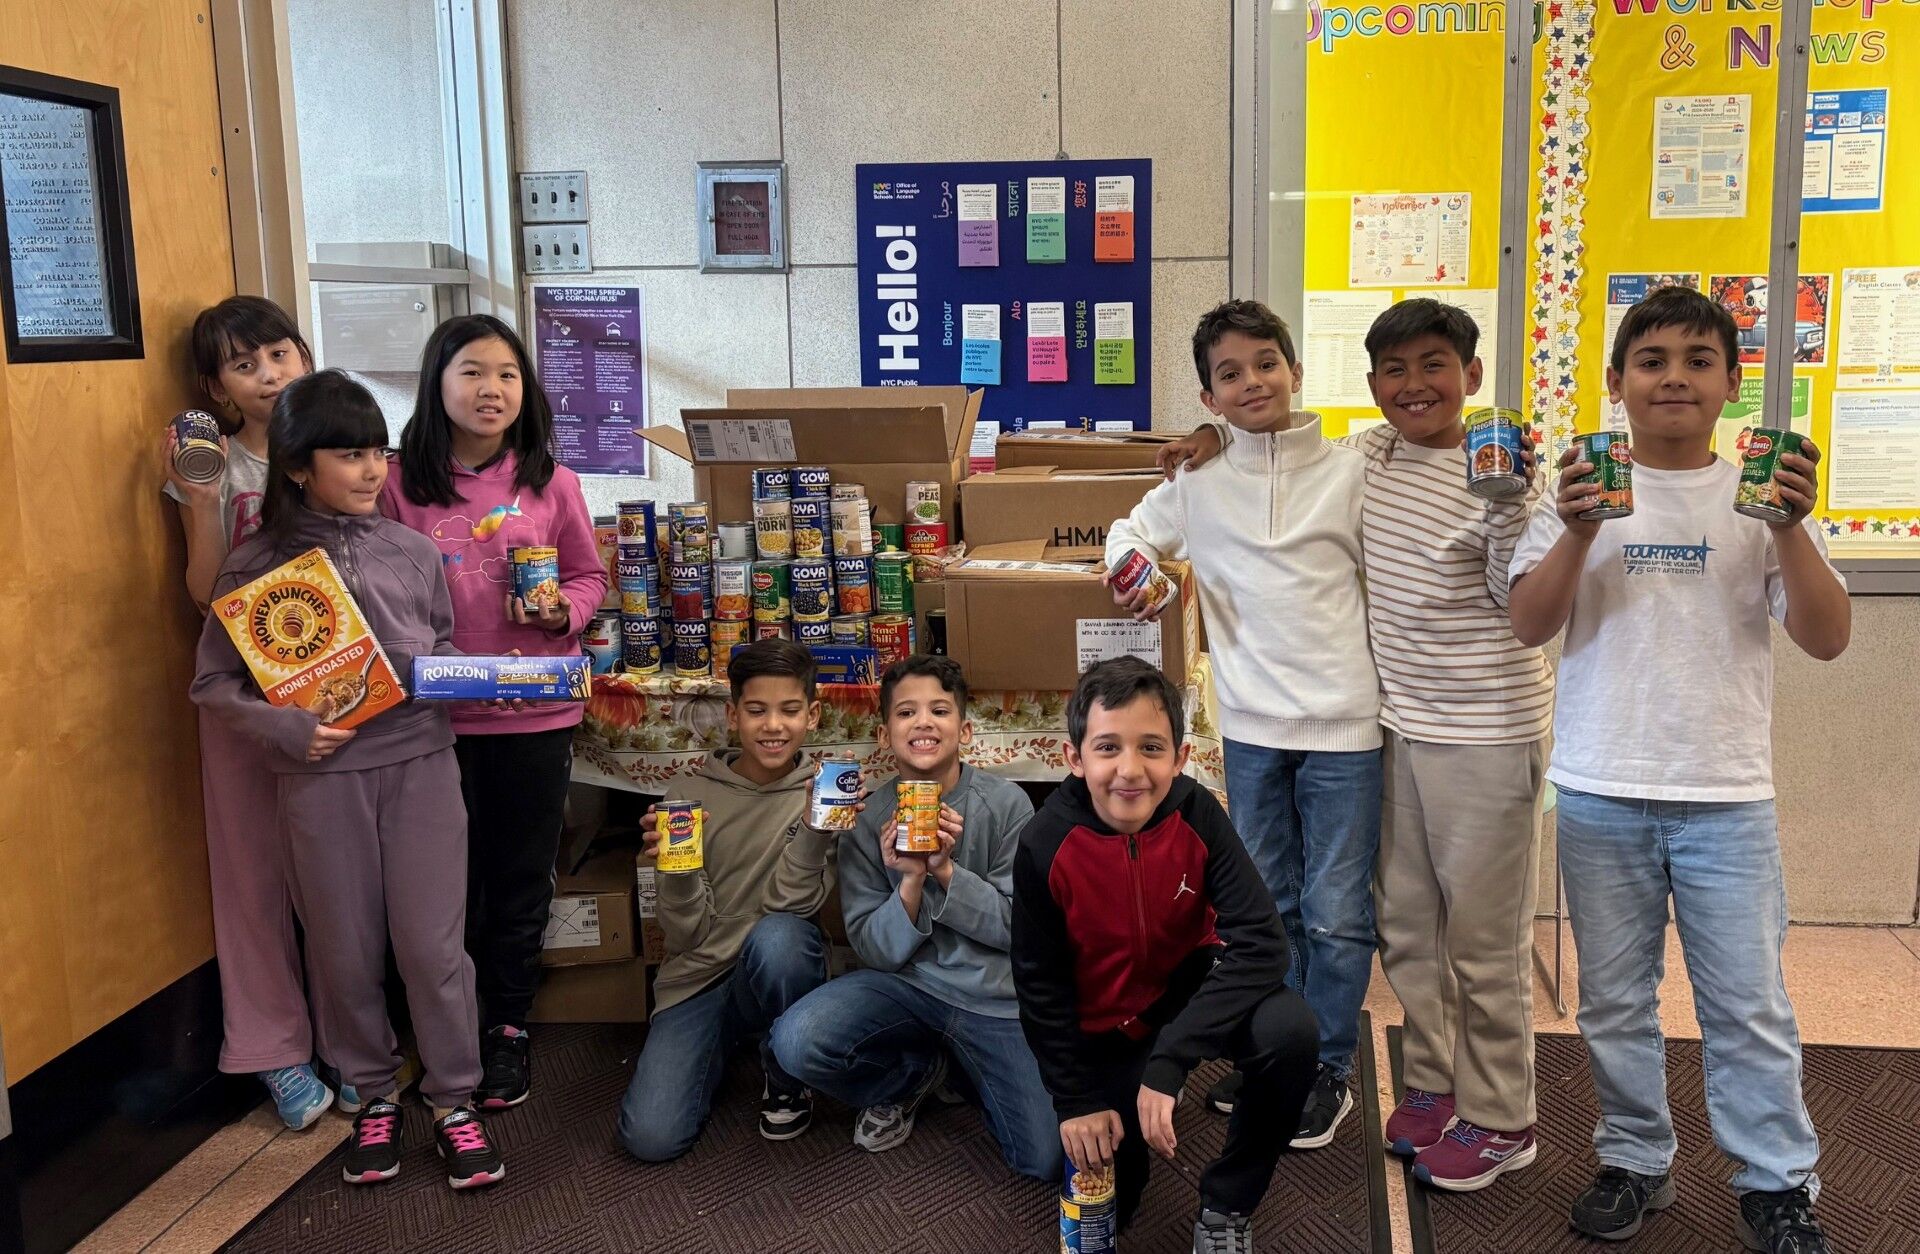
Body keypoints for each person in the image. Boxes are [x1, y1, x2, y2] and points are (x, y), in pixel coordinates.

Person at [1161, 298, 1554, 1189]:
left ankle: (1501, 1115)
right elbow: (1271, 445)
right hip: (1399, 725)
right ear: (1371, 385)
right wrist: (1211, 436)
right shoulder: (1371, 457)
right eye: (1395, 371)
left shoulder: (1501, 471)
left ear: (1472, 375)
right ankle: (1432, 1083)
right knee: (1406, 926)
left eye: (1435, 366)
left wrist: (1511, 501)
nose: (1415, 386)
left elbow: (1520, 600)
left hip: (1483, 729)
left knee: (1480, 939)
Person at [1509, 285, 1849, 1252]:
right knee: (1614, 1002)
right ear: (1616, 380)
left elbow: (1827, 637)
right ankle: (1634, 1158)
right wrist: (1578, 531)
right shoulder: (1579, 493)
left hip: (1727, 796)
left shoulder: (1761, 498)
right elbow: (1528, 624)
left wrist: (1790, 526)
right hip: (1600, 788)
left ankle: (1776, 1183)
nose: (1674, 378)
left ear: (1733, 383)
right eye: (1651, 360)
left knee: (1747, 1004)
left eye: (1700, 361)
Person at [192, 370, 504, 1190]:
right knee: (343, 948)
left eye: (377, 452)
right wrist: (288, 728)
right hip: (321, 782)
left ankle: (455, 1100)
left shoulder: (411, 549)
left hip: (422, 768)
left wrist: (476, 678)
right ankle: (373, 1093)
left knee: (432, 948)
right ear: (298, 466)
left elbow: (442, 646)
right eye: (349, 455)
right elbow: (213, 684)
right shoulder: (254, 566)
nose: (371, 470)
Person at [1105, 299, 1381, 1147]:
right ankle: (1279, 1055)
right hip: (1252, 731)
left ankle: (1328, 1067)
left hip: (1348, 729)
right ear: (1209, 395)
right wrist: (1138, 574)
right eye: (1230, 374)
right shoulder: (1198, 482)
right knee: (1269, 907)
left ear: (1295, 371)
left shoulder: (1352, 470)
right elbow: (1129, 533)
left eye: (1266, 363)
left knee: (1337, 912)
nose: (1253, 382)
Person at [1012, 658, 1320, 1253]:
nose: (1130, 770)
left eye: (1150, 747)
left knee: (1290, 1032)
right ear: (1074, 758)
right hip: (1102, 1026)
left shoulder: (1197, 812)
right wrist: (1076, 1100)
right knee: (1105, 1190)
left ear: (1180, 757)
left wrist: (1172, 1059)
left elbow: (1262, 943)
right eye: (1108, 747)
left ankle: (1228, 1206)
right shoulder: (1045, 843)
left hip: (1184, 991)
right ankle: (1120, 1103)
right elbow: (1038, 984)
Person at [381, 315, 608, 1110]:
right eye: (472, 372)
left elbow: (588, 577)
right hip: (431, 721)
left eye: (507, 375)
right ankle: (443, 1031)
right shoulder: (395, 484)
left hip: (533, 713)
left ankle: (508, 1025)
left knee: (518, 880)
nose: (492, 389)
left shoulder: (553, 481)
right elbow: (373, 590)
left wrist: (562, 614)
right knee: (437, 888)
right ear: (436, 383)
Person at [771, 655, 1058, 1180]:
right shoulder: (868, 819)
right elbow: (872, 950)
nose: (923, 722)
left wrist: (946, 870)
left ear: (964, 730)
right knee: (797, 1040)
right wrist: (910, 880)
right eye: (906, 713)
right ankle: (913, 1076)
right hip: (907, 986)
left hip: (994, 999)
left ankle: (964, 1070)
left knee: (1043, 1159)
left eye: (939, 711)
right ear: (885, 735)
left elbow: (1020, 929)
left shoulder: (1007, 804)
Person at [165, 296, 344, 1129]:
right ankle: (275, 1051)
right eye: (245, 365)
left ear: (305, 354)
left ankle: (354, 1041)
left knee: (341, 871)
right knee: (250, 876)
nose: (269, 375)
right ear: (217, 388)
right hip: (240, 694)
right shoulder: (215, 465)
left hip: (338, 687)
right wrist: (200, 498)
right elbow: (204, 591)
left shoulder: (342, 450)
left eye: (279, 354)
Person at [616, 640, 837, 1161]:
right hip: (699, 978)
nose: (773, 726)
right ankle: (730, 1039)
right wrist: (677, 870)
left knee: (780, 938)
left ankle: (786, 1075)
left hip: (777, 967)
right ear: (733, 716)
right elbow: (683, 934)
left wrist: (813, 830)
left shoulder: (824, 795)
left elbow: (792, 908)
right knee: (650, 1139)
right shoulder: (687, 797)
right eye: (756, 711)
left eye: (789, 710)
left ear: (812, 715)